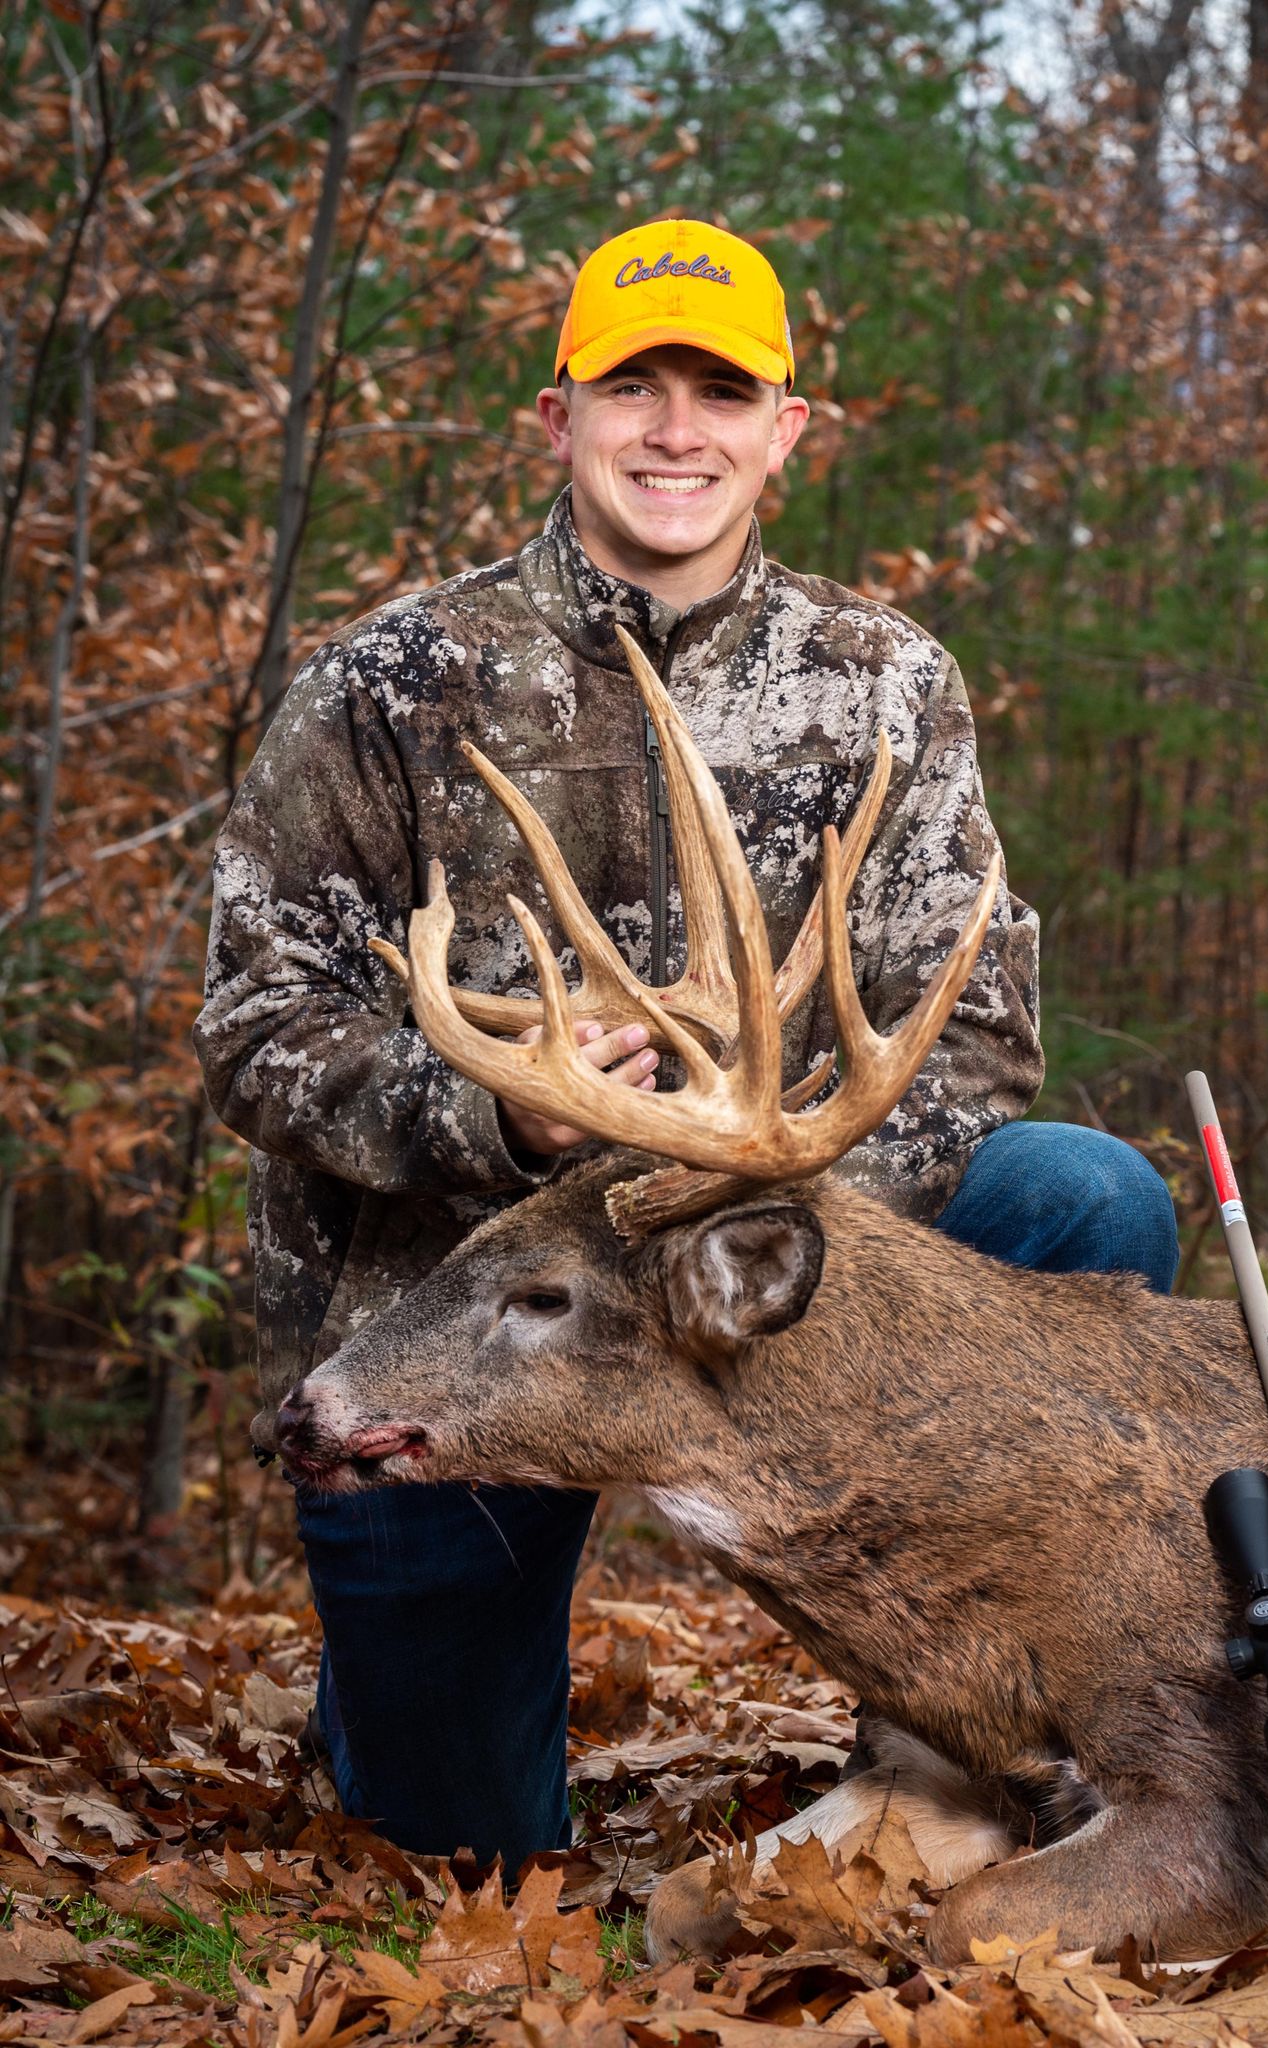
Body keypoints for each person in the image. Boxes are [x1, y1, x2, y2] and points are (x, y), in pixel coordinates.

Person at [194, 219, 1178, 1875]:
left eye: (720, 390)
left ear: (781, 428)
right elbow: (253, 1030)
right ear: (557, 415)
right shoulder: (391, 682)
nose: (674, 428)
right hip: (465, 1311)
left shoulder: (881, 683)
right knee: (464, 1852)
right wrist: (502, 1120)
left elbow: (976, 1032)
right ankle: (403, 1702)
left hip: (772, 1276)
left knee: (1082, 1199)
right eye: (630, 385)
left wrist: (758, 1210)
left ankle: (948, 1751)